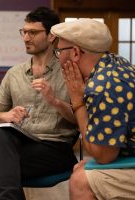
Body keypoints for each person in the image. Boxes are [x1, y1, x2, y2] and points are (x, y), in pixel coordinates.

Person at [0, 7, 79, 200]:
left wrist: (54, 101)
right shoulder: (14, 73)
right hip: (22, 144)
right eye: (24, 32)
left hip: (55, 147)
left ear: (52, 36)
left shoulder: (69, 72)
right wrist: (7, 115)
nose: (26, 38)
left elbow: (79, 119)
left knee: (0, 167)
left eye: (33, 32)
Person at [51, 19, 135, 199]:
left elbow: (103, 155)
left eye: (58, 52)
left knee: (80, 181)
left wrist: (77, 100)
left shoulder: (103, 87)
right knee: (82, 167)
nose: (57, 59)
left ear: (74, 53)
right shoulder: (115, 62)